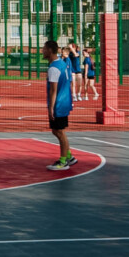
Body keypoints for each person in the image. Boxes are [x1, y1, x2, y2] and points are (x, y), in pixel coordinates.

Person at [44, 39, 77, 171]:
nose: (42, 51)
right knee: (56, 130)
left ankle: (64, 161)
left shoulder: (53, 68)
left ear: (50, 51)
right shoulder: (61, 63)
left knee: (60, 131)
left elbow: (53, 90)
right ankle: (69, 156)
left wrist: (51, 108)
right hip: (64, 101)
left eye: (44, 48)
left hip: (58, 103)